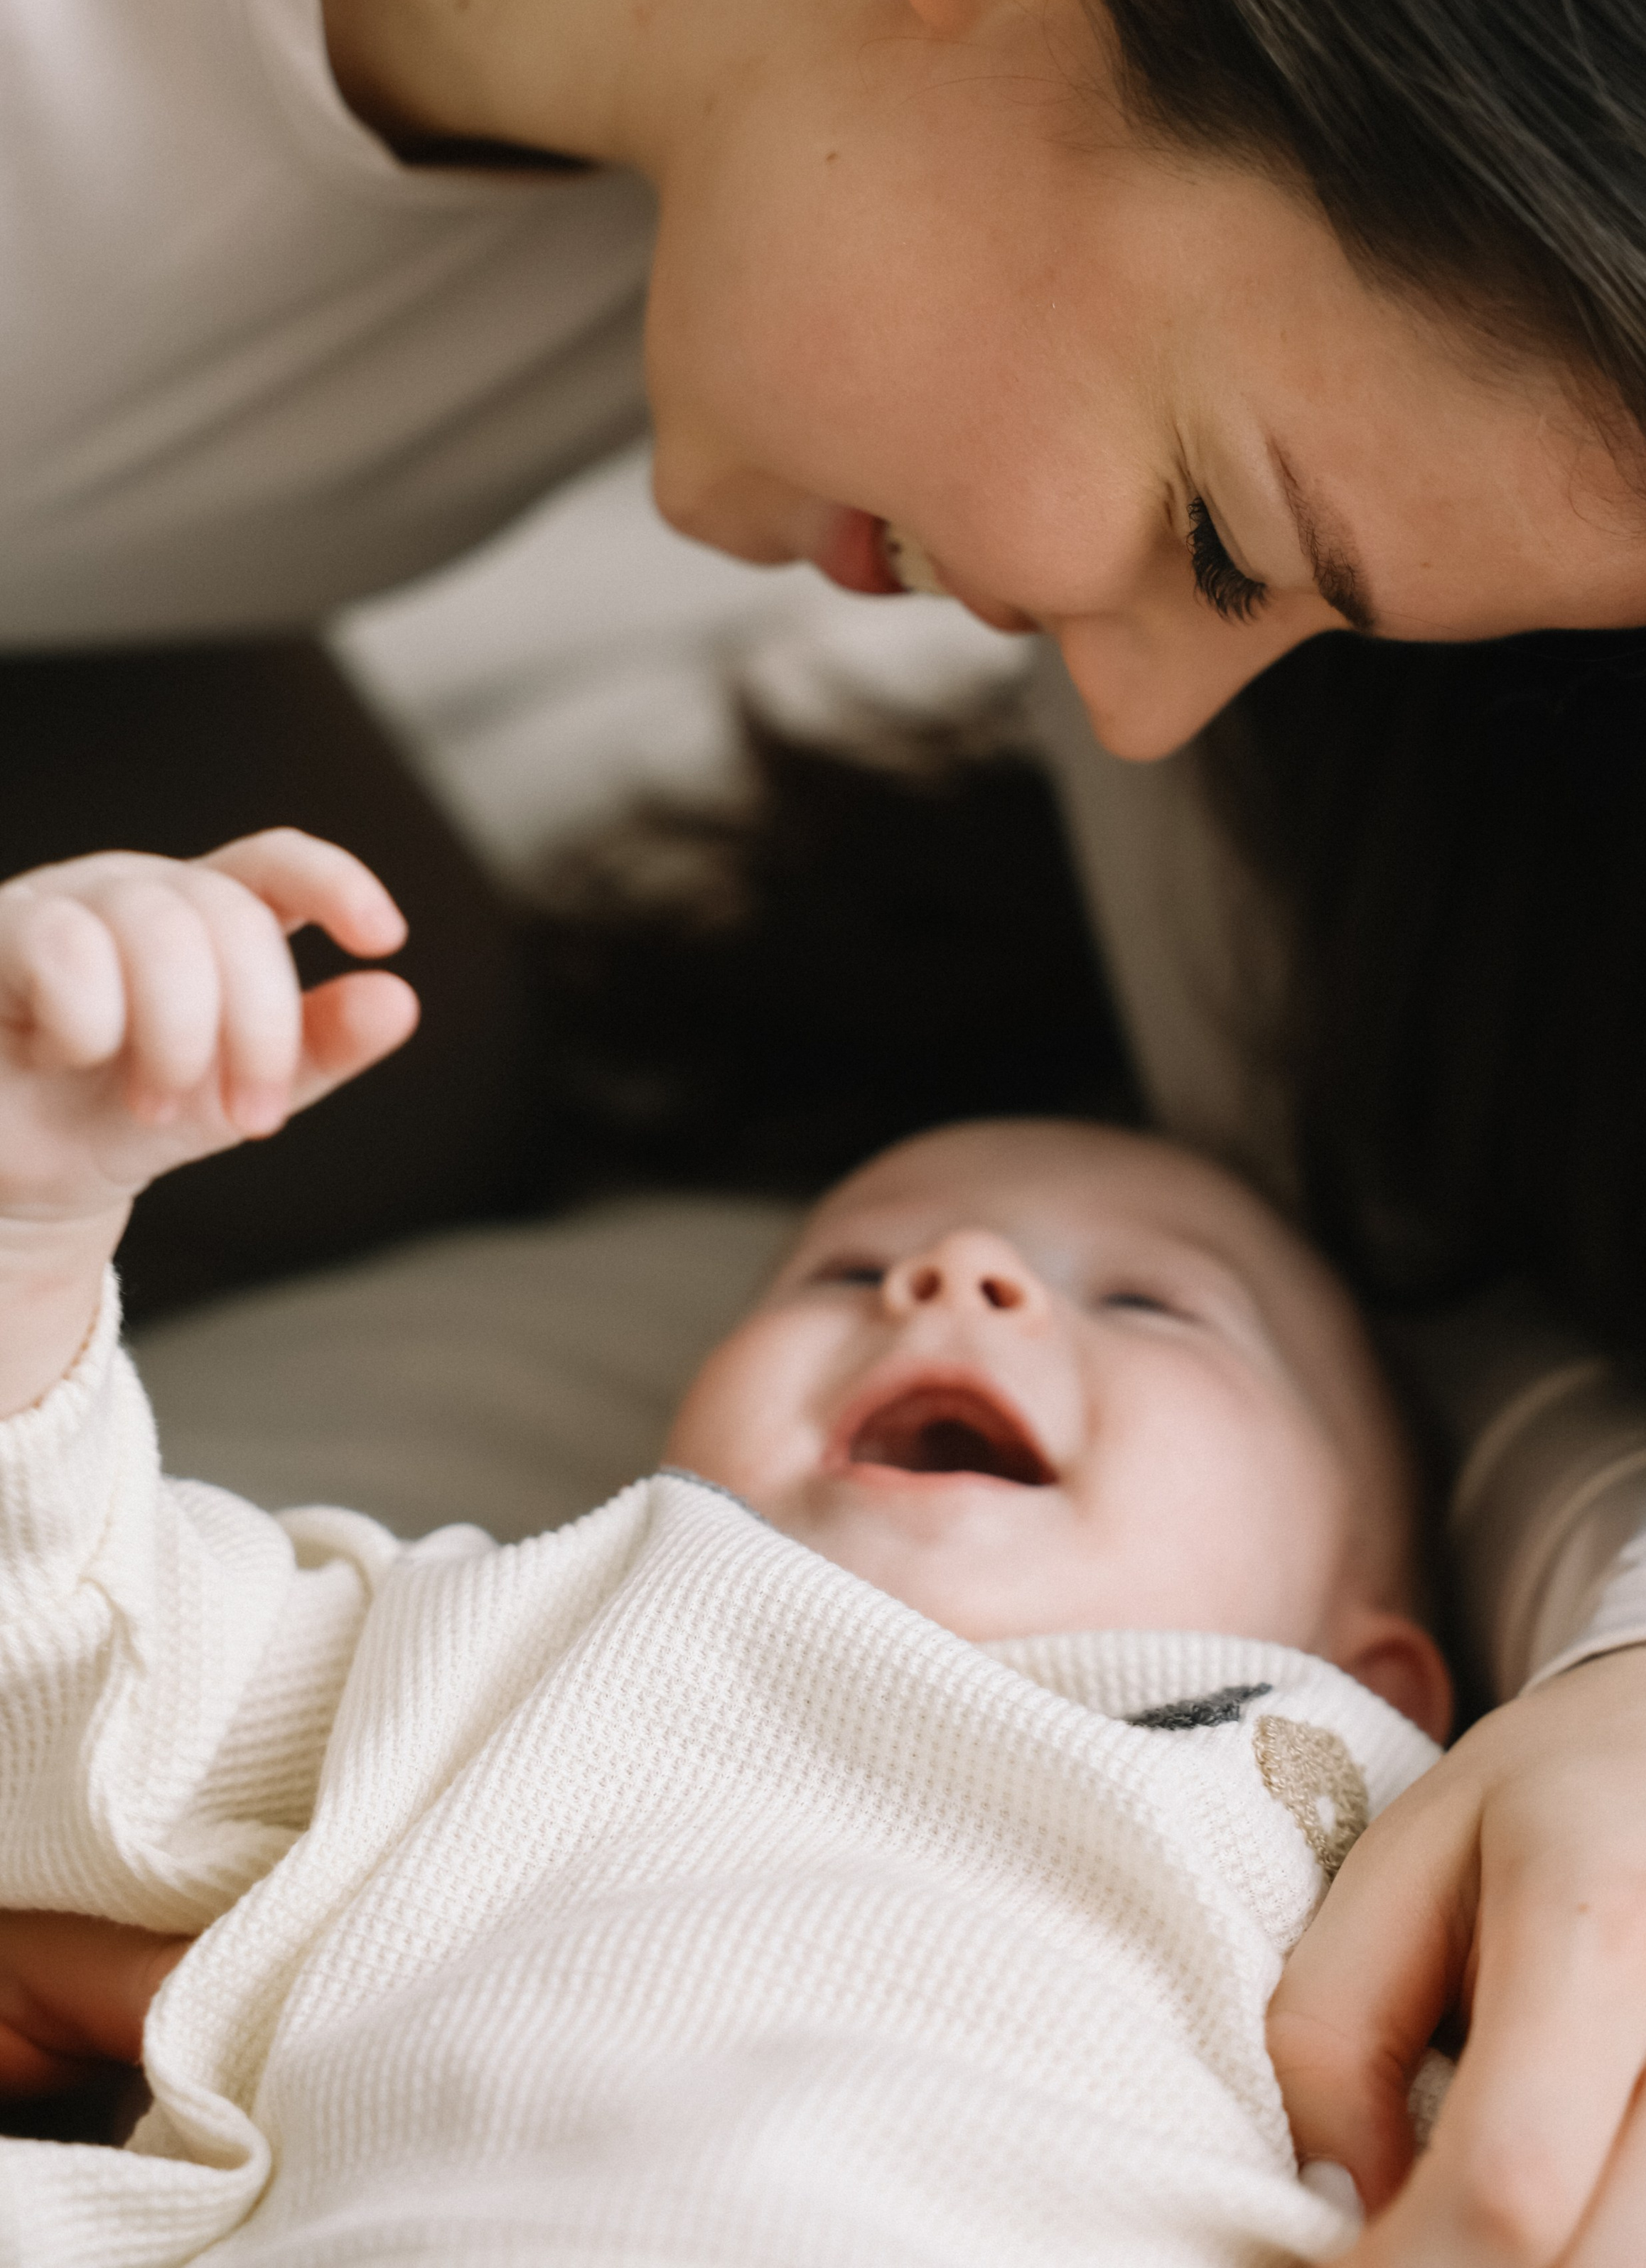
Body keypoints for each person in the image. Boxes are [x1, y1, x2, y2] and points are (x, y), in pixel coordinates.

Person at [13, 0, 1646, 2254]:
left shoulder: (853, 46)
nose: (1130, 714)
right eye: (1224, 534)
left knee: (397, 1023)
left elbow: (1322, 1261)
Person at [0, 828, 1468, 2261]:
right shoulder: (537, 1638)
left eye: (1151, 1303)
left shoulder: (1364, 1818)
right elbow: (80, 1656)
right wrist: (34, 1227)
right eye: (847, 1271)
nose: (955, 1276)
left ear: (1387, 1675)